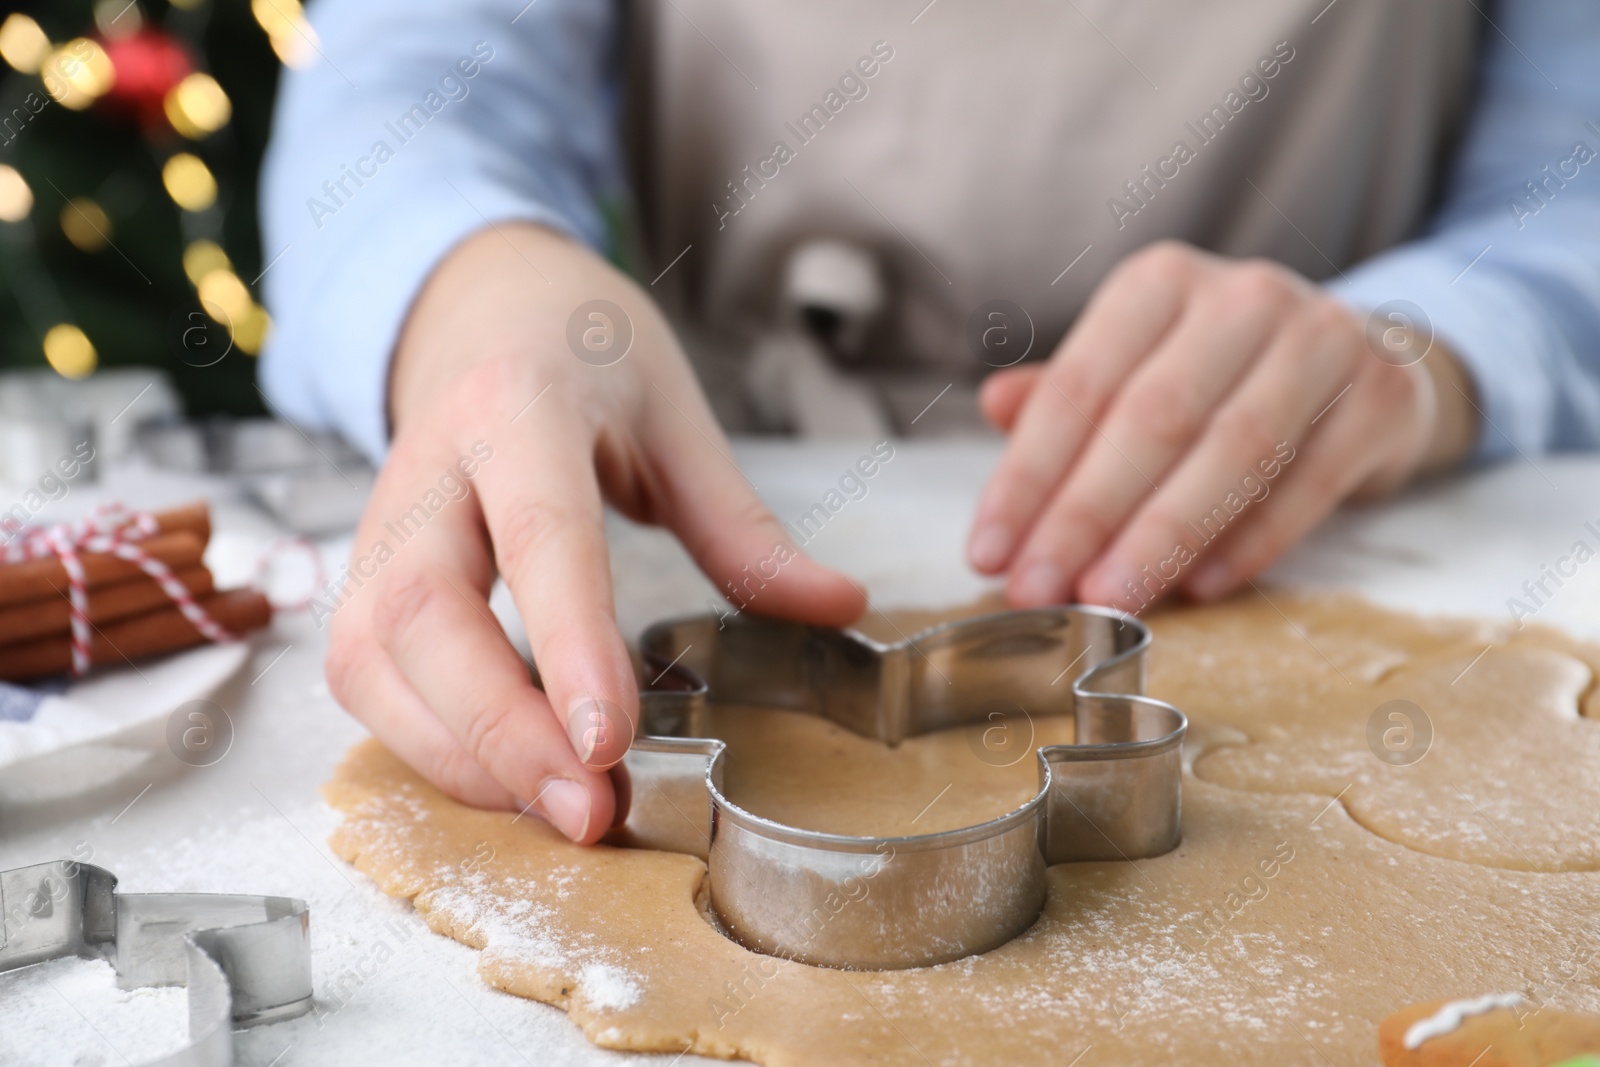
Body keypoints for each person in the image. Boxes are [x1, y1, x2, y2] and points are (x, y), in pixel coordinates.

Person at [259, 0, 1600, 843]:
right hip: (743, 490)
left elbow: (1574, 178)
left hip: (1309, 522)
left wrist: (1415, 350)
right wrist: (471, 287)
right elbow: (405, 90)